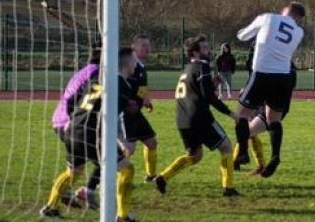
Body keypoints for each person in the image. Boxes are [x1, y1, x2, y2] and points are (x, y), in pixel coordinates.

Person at [40, 48, 140, 222]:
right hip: (92, 134)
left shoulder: (97, 78)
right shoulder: (121, 84)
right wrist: (123, 141)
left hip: (73, 129)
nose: (136, 64)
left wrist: (71, 121)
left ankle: (50, 207)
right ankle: (122, 216)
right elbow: (114, 116)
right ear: (125, 62)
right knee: (126, 169)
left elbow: (75, 101)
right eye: (134, 60)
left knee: (74, 171)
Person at [154, 34, 239, 197]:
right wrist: (230, 113)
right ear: (194, 52)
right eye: (204, 48)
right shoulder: (202, 67)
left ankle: (163, 177)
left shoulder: (187, 70)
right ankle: (228, 187)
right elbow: (209, 97)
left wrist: (212, 84)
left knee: (195, 156)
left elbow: (198, 92)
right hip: (200, 118)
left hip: (182, 120)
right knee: (226, 147)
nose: (208, 51)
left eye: (208, 47)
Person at [233, 2, 306, 178]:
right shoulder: (299, 32)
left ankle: (242, 152)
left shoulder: (268, 18)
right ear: (299, 18)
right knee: (274, 119)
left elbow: (243, 36)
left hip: (262, 73)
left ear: (285, 10)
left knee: (240, 115)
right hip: (282, 77)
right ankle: (275, 156)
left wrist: (244, 32)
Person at [49, 46, 101, 209]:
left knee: (77, 167)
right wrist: (71, 119)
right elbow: (75, 99)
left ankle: (59, 196)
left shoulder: (84, 71)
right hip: (70, 123)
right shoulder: (96, 73)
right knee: (106, 160)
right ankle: (88, 192)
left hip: (63, 120)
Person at [233, 62, 296, 176]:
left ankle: (237, 162)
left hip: (270, 108)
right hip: (270, 106)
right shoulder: (286, 67)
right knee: (248, 131)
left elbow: (270, 87)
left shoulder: (277, 67)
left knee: (248, 131)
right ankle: (257, 164)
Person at [120, 34, 159, 184]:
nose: (147, 48)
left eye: (148, 45)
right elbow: (121, 86)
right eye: (143, 45)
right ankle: (105, 176)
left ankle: (150, 176)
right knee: (129, 149)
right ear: (133, 48)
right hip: (125, 113)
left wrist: (145, 100)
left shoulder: (141, 67)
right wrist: (128, 102)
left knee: (151, 142)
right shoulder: (129, 66)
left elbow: (140, 89)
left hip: (136, 113)